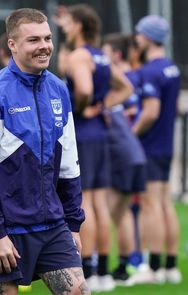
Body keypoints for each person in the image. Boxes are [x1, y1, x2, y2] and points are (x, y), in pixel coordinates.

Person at [0, 8, 90, 295]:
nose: (44, 46)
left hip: (53, 227)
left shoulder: (59, 89)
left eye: (47, 38)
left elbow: (69, 165)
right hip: (5, 230)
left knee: (78, 292)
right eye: (33, 40)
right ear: (12, 44)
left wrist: (72, 224)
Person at [55, 4, 132, 291]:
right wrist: (103, 107)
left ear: (79, 26)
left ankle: (87, 268)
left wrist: (82, 108)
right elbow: (125, 87)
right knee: (99, 203)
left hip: (84, 134)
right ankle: (102, 272)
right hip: (100, 133)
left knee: (84, 202)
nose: (64, 27)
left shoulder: (80, 55)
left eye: (68, 23)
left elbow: (84, 89)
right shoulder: (99, 55)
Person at [131, 15, 182, 284]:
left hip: (150, 146)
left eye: (139, 34)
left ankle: (151, 269)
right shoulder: (172, 68)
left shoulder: (149, 71)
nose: (136, 39)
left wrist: (130, 135)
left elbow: (151, 112)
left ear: (148, 37)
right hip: (166, 144)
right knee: (164, 204)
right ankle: (170, 267)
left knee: (151, 206)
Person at [101, 33, 147, 285]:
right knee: (122, 213)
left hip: (122, 157)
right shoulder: (117, 94)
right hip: (135, 155)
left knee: (104, 211)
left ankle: (104, 269)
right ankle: (124, 268)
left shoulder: (106, 97)